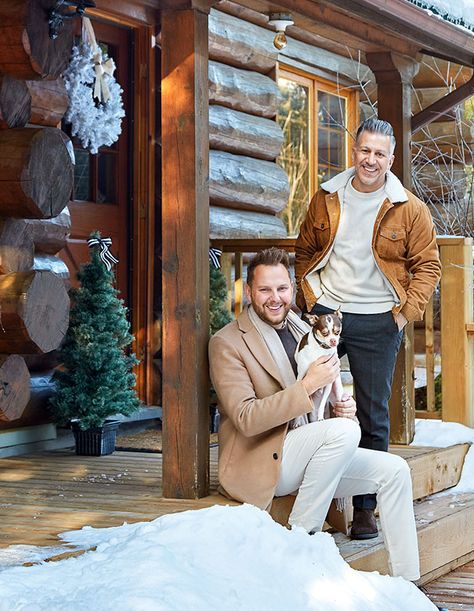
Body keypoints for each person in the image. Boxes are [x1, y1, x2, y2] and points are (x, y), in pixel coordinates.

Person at [209, 247, 420, 581]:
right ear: (248, 292)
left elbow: (327, 395)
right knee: (345, 434)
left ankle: (408, 585)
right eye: (264, 289)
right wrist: (306, 388)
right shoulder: (228, 342)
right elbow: (246, 418)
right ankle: (300, 542)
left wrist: (342, 409)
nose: (274, 298)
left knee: (394, 471)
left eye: (281, 289)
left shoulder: (305, 329)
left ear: (292, 290)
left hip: (310, 449)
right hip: (264, 458)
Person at [295, 118, 441, 540]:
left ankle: (364, 509)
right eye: (364, 151)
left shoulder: (408, 207)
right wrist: (310, 299)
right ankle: (308, 495)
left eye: (380, 153)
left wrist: (401, 314)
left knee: (373, 415)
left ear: (391, 159)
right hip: (326, 312)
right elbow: (305, 249)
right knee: (308, 399)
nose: (370, 160)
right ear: (353, 151)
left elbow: (427, 266)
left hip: (379, 319)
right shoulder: (326, 197)